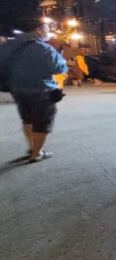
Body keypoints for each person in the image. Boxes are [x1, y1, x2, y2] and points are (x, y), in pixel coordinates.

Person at [0, 19, 68, 163]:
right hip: (41, 90)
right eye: (47, 28)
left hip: (17, 89)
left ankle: (31, 148)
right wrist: (61, 59)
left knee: (27, 119)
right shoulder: (43, 48)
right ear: (38, 29)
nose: (49, 32)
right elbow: (58, 68)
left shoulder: (10, 46)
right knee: (42, 122)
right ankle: (37, 153)